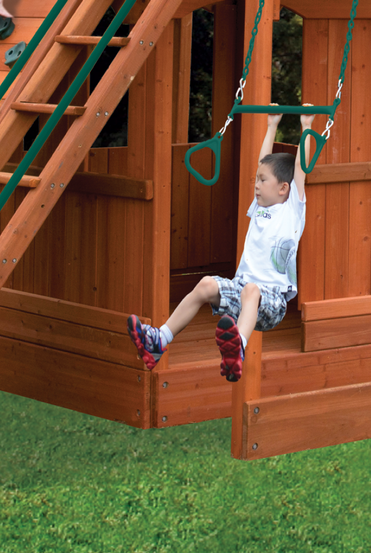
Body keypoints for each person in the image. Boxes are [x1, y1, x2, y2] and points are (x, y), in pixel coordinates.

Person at [127, 115, 310, 382]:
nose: (256, 185)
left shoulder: (292, 210)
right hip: (243, 292)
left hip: (272, 302)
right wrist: (272, 125)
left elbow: (300, 168)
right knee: (205, 285)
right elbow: (263, 161)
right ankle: (159, 340)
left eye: (262, 181)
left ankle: (239, 350)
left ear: (284, 188)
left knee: (251, 290)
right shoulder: (260, 207)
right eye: (256, 180)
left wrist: (307, 127)